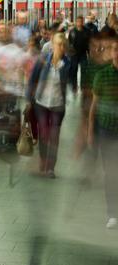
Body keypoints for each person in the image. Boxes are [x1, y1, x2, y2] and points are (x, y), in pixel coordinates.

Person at [26, 33, 70, 178]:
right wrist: (28, 100)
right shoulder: (42, 60)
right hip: (41, 103)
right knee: (44, 134)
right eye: (59, 44)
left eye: (64, 45)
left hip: (58, 105)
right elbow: (32, 80)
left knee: (54, 136)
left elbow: (69, 81)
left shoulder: (67, 63)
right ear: (53, 45)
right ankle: (43, 161)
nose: (62, 48)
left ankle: (51, 167)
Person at [88, 37, 118, 229]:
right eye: (115, 50)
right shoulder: (102, 75)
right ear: (112, 53)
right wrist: (91, 131)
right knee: (111, 174)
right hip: (107, 130)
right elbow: (94, 105)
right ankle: (113, 213)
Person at [68, 16, 90, 93]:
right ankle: (74, 86)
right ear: (76, 22)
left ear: (83, 22)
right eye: (78, 21)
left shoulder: (86, 31)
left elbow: (89, 43)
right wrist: (70, 52)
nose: (80, 23)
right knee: (74, 70)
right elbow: (69, 42)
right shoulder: (72, 32)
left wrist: (89, 53)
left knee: (84, 70)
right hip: (74, 54)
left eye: (81, 21)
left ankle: (83, 86)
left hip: (83, 54)